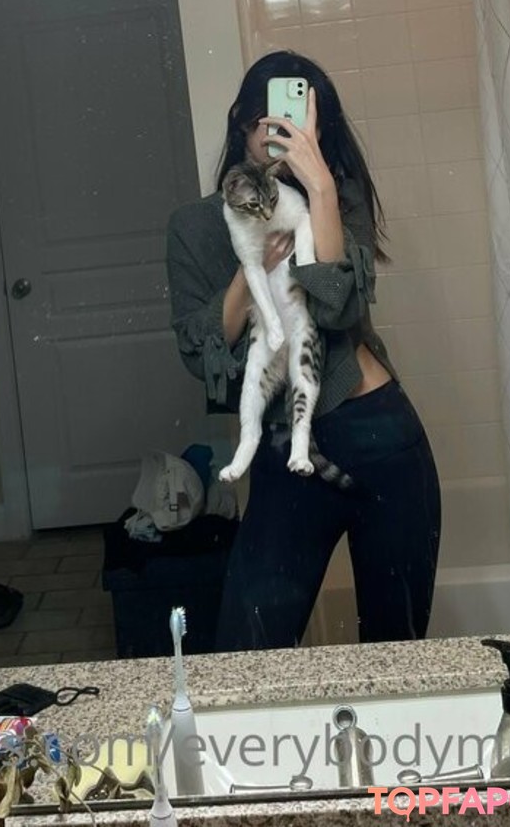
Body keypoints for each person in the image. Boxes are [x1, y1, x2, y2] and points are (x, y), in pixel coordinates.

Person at [166, 50, 441, 650]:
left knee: (396, 651)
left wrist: (319, 187)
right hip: (287, 449)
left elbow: (338, 307)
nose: (285, 136)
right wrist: (252, 264)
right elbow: (202, 355)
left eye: (304, 125)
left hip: (381, 437)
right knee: (247, 651)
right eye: (272, 123)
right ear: (242, 122)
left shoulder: (334, 199)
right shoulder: (194, 227)